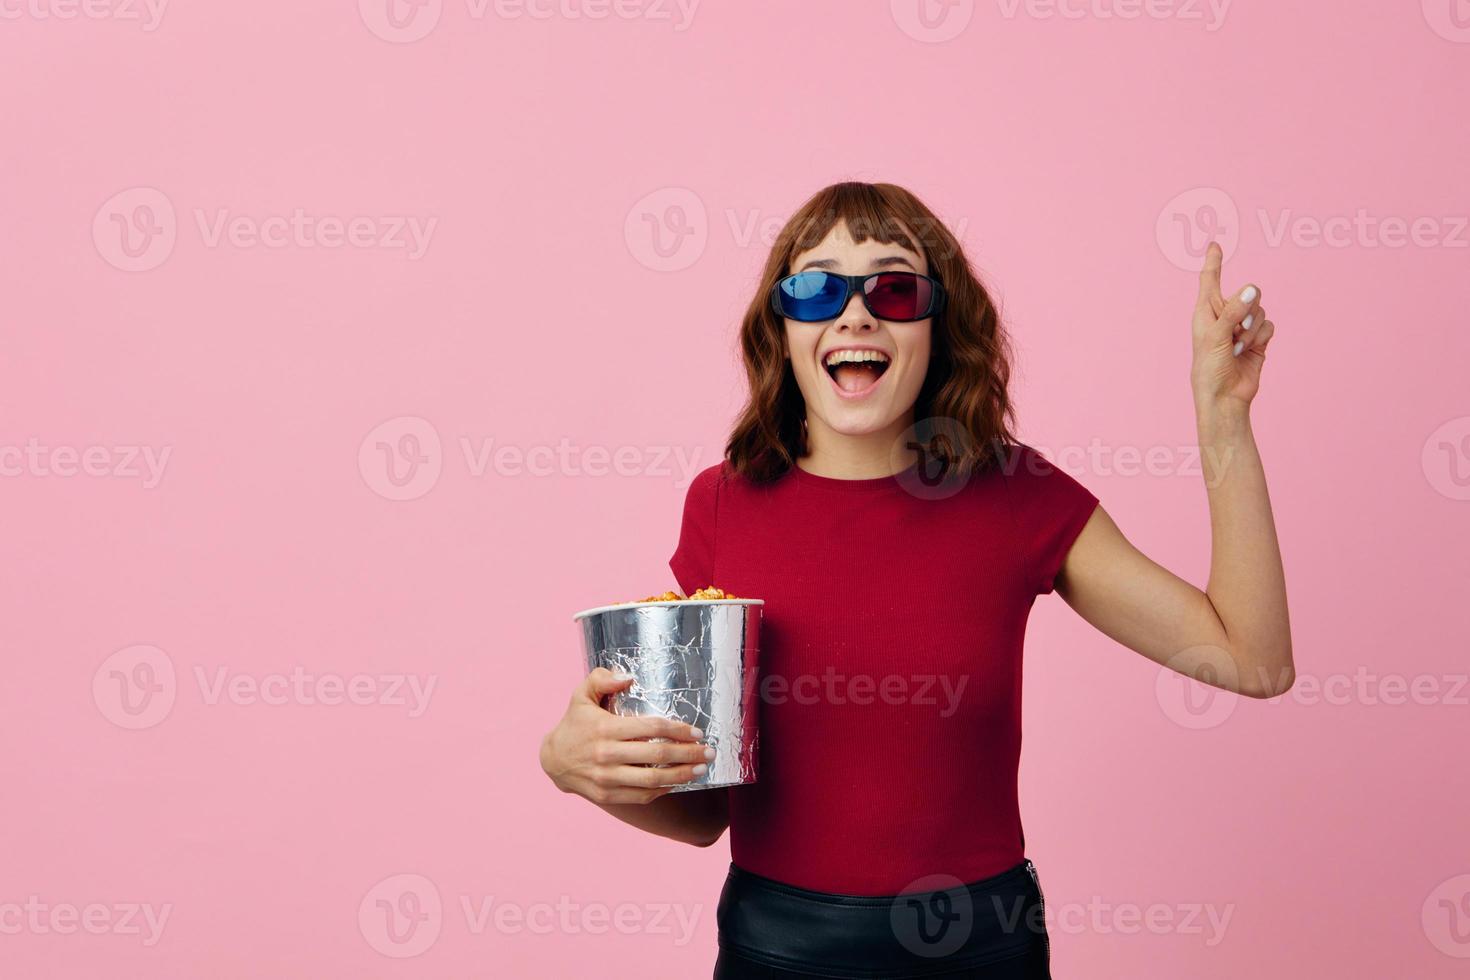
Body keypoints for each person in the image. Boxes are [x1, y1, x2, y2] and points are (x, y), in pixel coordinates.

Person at [540, 182, 1294, 978]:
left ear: (939, 328)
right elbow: (700, 815)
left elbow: (1250, 658)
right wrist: (574, 763)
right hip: (777, 952)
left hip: (981, 952)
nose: (856, 313)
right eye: (816, 287)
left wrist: (1224, 419)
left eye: (895, 289)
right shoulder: (721, 504)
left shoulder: (1017, 493)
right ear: (783, 329)